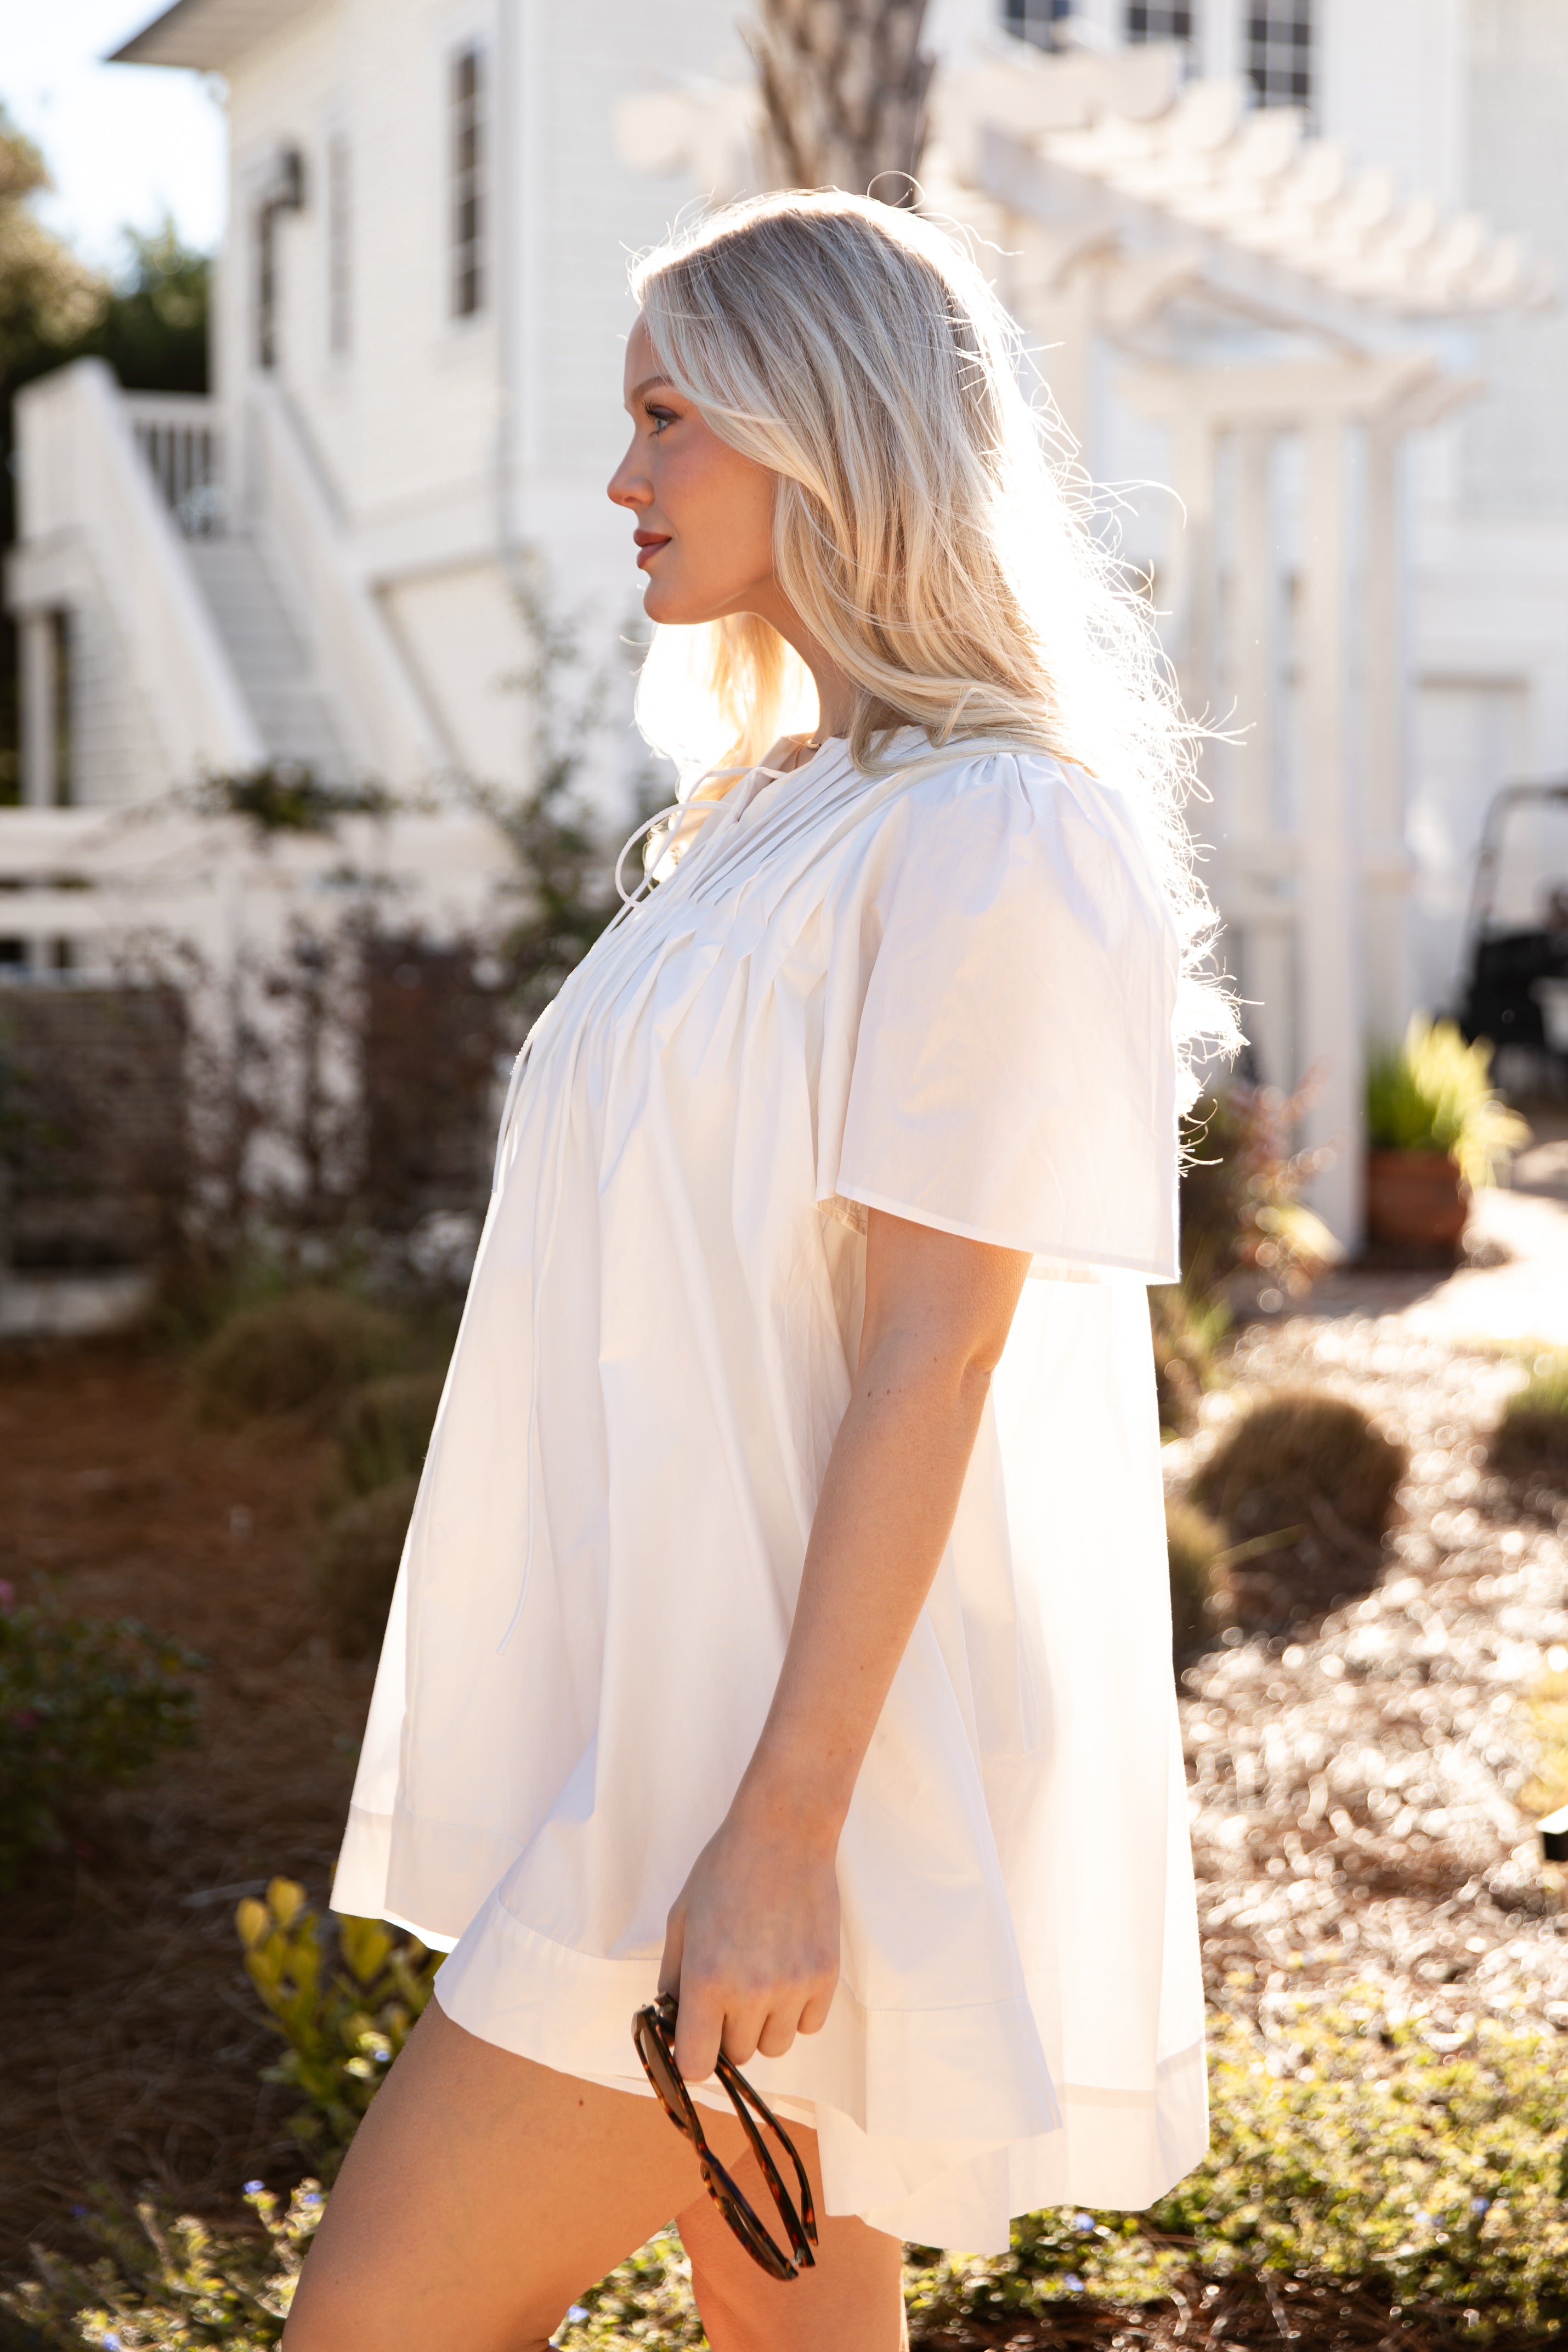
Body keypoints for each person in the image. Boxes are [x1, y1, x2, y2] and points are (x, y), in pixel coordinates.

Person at [283, 188, 1235, 2352]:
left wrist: (783, 1832)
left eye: (663, 416)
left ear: (820, 426)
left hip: (772, 1787)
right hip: (673, 1741)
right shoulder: (764, 814)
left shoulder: (994, 826)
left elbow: (939, 1344)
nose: (621, 479)